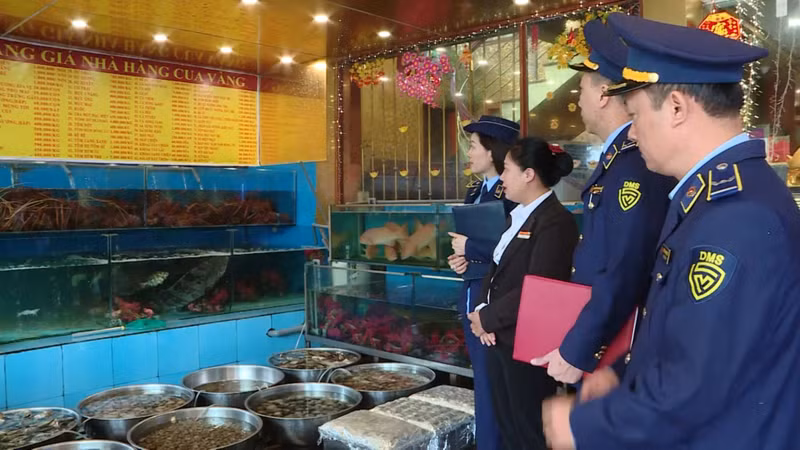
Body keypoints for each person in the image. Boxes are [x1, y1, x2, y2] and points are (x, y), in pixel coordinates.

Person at [543, 13, 800, 450]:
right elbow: (691, 337)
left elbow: (694, 386)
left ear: (678, 107)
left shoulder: (737, 217)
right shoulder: (714, 196)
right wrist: (624, 375)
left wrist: (585, 425)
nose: (634, 130)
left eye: (637, 113)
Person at [531, 19, 675, 383]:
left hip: (616, 348)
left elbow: (624, 267)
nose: (578, 100)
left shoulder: (634, 166)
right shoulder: (618, 160)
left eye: (581, 89)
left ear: (602, 94)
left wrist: (580, 347)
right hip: (604, 339)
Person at [467, 137, 578, 450]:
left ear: (529, 174)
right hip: (499, 337)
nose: (502, 178)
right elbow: (496, 269)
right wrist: (481, 312)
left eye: (507, 170)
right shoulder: (518, 216)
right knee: (507, 424)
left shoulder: (556, 221)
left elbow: (537, 286)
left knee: (528, 430)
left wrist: (487, 318)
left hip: (526, 344)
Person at [447, 115, 518, 450]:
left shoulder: (513, 191)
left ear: (492, 151)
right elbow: (470, 242)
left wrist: (471, 248)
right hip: (471, 293)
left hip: (497, 301)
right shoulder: (474, 190)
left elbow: (517, 250)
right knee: (483, 384)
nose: (469, 152)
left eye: (473, 146)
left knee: (496, 387)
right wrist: (461, 259)